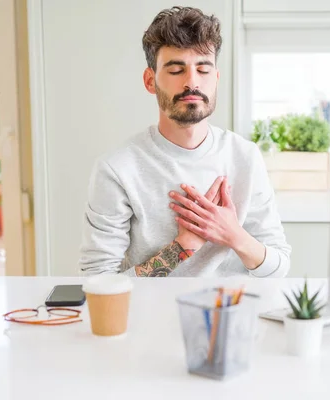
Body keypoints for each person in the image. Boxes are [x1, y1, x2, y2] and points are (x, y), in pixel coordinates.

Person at [78, 6, 291, 277]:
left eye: (203, 69)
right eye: (176, 70)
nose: (192, 82)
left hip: (230, 313)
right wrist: (184, 245)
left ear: (215, 79)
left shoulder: (245, 157)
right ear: (150, 81)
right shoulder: (116, 169)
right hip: (150, 314)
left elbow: (279, 268)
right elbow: (97, 281)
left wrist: (233, 234)